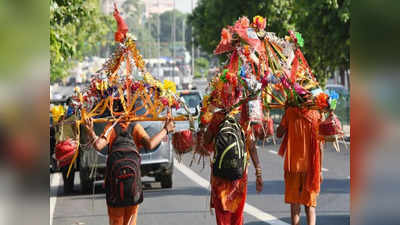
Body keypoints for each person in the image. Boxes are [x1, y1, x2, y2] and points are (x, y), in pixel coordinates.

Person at [84, 111, 175, 225]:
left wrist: (90, 130)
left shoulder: (111, 127)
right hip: (133, 186)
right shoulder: (135, 127)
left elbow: (98, 145)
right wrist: (166, 130)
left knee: (116, 221)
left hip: (115, 187)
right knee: (131, 221)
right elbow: (151, 144)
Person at [204, 107, 263, 225]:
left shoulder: (217, 117)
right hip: (239, 176)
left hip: (220, 177)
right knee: (237, 217)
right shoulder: (244, 117)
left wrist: (205, 123)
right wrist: (258, 172)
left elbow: (206, 142)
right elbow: (251, 147)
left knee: (222, 217)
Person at [276, 106, 323, 225]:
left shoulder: (290, 112)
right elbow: (320, 146)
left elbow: (279, 133)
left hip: (293, 166)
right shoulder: (316, 114)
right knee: (310, 205)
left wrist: (285, 114)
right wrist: (320, 169)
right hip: (311, 167)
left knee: (295, 205)